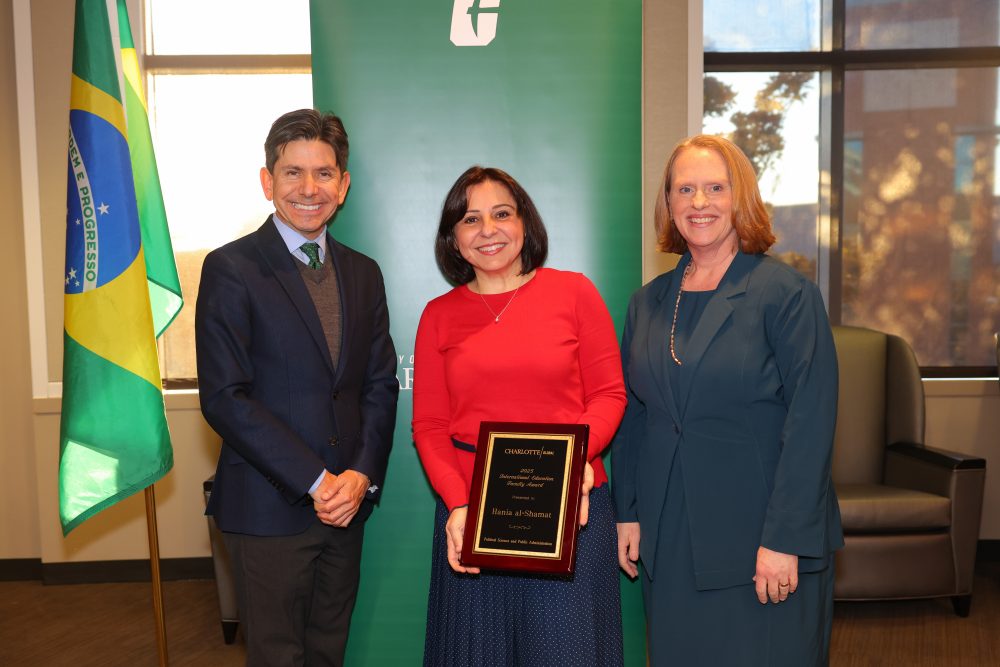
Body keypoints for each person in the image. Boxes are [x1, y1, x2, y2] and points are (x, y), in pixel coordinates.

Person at [612, 135, 844, 666]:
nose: (699, 203)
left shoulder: (786, 295)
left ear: (741, 197)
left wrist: (785, 539)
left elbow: (811, 423)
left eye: (715, 188)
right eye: (685, 189)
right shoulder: (646, 304)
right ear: (668, 204)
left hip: (761, 542)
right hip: (670, 542)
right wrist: (628, 512)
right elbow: (634, 416)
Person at [196, 108, 399, 666]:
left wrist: (358, 476)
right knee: (278, 658)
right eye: (292, 173)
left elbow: (379, 383)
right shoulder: (230, 269)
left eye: (325, 173)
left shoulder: (364, 273)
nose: (309, 189)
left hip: (347, 508)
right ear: (268, 181)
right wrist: (315, 481)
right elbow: (225, 397)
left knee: (328, 653)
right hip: (269, 510)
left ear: (344, 184)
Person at [412, 166, 627, 666]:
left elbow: (609, 396)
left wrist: (569, 470)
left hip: (573, 511)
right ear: (453, 238)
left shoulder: (574, 293)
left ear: (524, 223)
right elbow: (429, 426)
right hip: (471, 515)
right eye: (470, 219)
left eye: (501, 214)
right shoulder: (438, 315)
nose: (488, 230)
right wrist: (459, 505)